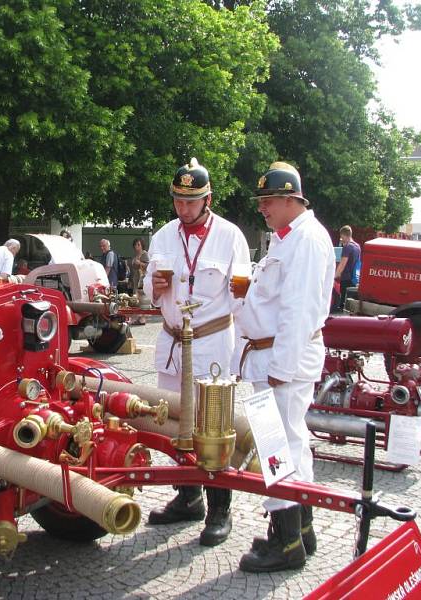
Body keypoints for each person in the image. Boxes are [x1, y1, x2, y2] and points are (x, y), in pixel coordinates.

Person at [232, 162, 334, 573]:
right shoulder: (289, 238)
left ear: (293, 198)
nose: (263, 208)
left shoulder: (305, 241)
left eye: (268, 200)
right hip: (272, 358)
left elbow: (300, 310)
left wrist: (281, 367)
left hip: (280, 361)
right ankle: (300, 531)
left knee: (278, 448)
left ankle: (285, 543)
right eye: (261, 201)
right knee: (292, 443)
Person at [143, 158, 250, 547]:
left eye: (191, 202)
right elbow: (148, 294)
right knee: (171, 420)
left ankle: (220, 508)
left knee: (213, 426)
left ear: (208, 200)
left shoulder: (230, 235)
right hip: (173, 342)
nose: (183, 209)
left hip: (211, 344)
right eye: (178, 201)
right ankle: (188, 497)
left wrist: (243, 351)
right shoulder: (163, 236)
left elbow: (241, 296)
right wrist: (152, 286)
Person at [334, 225, 361, 311]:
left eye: (341, 237)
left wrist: (335, 275)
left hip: (346, 278)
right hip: (354, 278)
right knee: (351, 305)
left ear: (344, 235)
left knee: (342, 305)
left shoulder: (347, 247)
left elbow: (342, 264)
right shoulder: (357, 246)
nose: (341, 239)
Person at [130, 238, 150, 324]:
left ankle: (143, 318)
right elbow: (133, 269)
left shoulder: (145, 254)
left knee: (143, 299)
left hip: (143, 280)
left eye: (138, 244)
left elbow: (149, 266)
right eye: (135, 245)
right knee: (136, 299)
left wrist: (140, 263)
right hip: (136, 279)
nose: (137, 246)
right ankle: (138, 317)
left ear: (142, 245)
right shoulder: (135, 256)